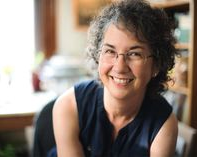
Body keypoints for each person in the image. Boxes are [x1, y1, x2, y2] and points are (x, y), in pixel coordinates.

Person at [53, 0, 178, 156]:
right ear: (98, 56)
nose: (119, 67)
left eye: (134, 54)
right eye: (110, 51)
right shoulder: (69, 106)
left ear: (156, 65)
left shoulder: (163, 124)